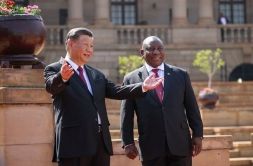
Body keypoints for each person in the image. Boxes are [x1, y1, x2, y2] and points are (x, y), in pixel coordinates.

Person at [44, 28, 163, 166]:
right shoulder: (54, 69)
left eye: (92, 46)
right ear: (70, 43)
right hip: (73, 144)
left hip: (100, 144)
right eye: (85, 45)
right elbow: (51, 87)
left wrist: (143, 87)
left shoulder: (96, 74)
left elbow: (117, 91)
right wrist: (62, 78)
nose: (89, 49)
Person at [120, 36, 203, 166]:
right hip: (150, 146)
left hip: (180, 144)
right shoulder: (131, 79)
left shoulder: (180, 75)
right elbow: (126, 114)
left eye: (160, 48)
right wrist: (128, 142)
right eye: (151, 49)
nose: (156, 52)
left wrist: (198, 134)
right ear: (142, 53)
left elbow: (192, 107)